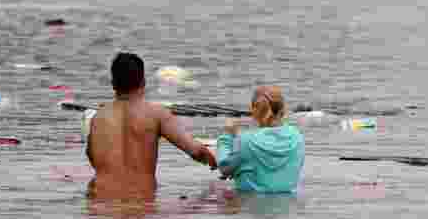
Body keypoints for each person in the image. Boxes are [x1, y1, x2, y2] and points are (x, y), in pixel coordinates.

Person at [86, 52, 217, 200]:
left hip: (101, 200)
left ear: (113, 83)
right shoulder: (156, 114)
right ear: (143, 82)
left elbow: (93, 157)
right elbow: (195, 151)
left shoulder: (98, 117)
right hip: (140, 200)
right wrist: (218, 161)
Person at [216, 85, 305, 195]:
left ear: (254, 112)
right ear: (283, 110)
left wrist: (227, 136)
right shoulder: (298, 137)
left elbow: (224, 168)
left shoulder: (245, 140)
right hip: (288, 208)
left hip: (250, 206)